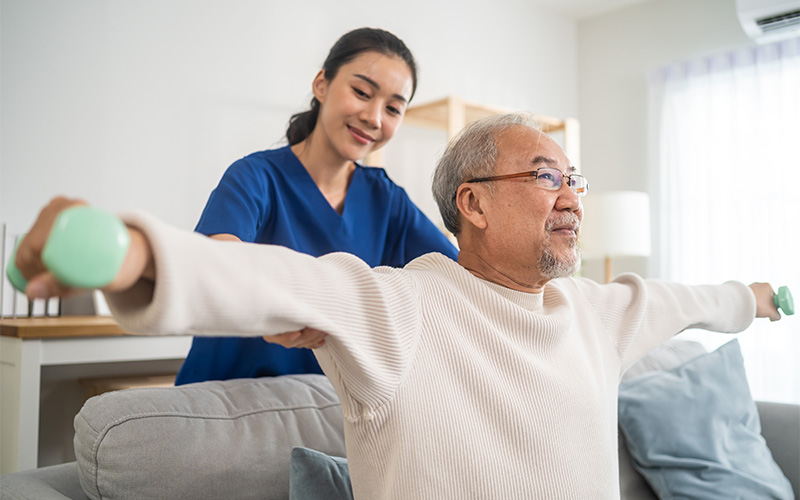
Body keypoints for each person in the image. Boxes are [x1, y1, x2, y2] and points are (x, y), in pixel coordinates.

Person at [16, 113, 782, 499]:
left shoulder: (598, 311)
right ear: (473, 204)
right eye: (547, 177)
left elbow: (693, 302)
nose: (573, 198)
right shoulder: (401, 306)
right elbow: (264, 278)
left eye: (574, 180)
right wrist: (124, 252)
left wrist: (759, 298)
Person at [177, 27, 458, 384]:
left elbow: (456, 276)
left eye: (392, 109)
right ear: (321, 84)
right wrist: (272, 306)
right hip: (230, 395)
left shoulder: (387, 200)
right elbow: (215, 261)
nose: (374, 118)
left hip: (328, 402)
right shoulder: (256, 176)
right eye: (361, 93)